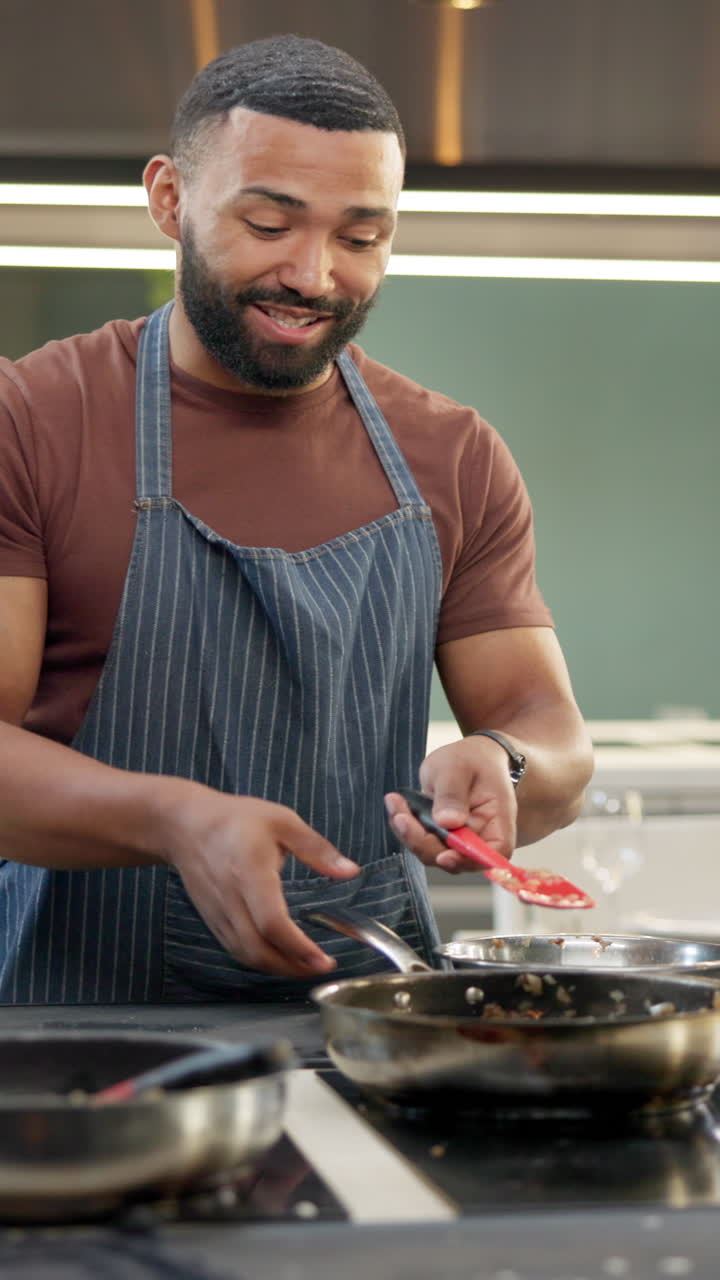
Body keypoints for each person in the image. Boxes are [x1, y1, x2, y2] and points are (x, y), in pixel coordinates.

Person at [0, 35, 593, 1004]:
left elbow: (552, 733)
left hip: (366, 1043)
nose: (314, 275)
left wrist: (507, 763)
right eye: (270, 222)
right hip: (75, 1056)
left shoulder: (453, 455)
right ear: (168, 199)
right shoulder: (31, 419)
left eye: (361, 239)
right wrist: (175, 820)